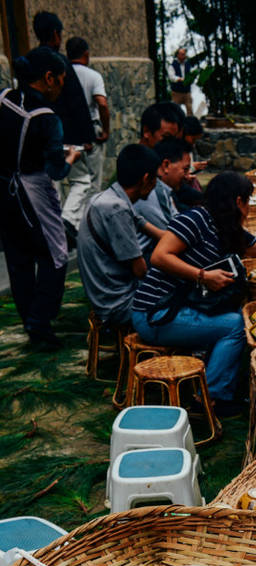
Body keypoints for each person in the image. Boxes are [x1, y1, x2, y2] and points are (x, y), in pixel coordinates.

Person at [130, 172, 256, 417]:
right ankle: (212, 397)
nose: (249, 207)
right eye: (249, 201)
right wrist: (202, 275)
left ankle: (217, 383)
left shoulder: (225, 228)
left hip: (178, 309)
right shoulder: (196, 218)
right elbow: (160, 256)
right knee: (235, 325)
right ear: (239, 201)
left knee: (233, 316)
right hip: (155, 313)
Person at [0, 47, 81, 349]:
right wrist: (71, 157)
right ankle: (41, 322)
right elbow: (57, 171)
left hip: (3, 189)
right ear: (48, 79)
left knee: (18, 257)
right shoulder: (48, 118)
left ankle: (29, 320)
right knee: (55, 255)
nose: (60, 88)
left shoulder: (4, 98)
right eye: (60, 81)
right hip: (32, 191)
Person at [77, 144, 163, 330]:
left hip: (107, 293)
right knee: (182, 287)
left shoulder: (107, 197)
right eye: (156, 178)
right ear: (146, 179)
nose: (157, 184)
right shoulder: (116, 209)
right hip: (119, 304)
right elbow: (139, 270)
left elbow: (145, 225)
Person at [60, 36, 109, 235]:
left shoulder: (62, 74)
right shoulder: (93, 75)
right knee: (92, 182)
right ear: (86, 54)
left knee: (74, 182)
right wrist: (105, 130)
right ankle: (86, 228)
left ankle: (73, 225)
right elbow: (102, 103)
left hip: (66, 133)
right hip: (91, 131)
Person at [33, 10, 94, 148]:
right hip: (65, 134)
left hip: (37, 134)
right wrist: (87, 137)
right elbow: (76, 100)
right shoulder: (60, 63)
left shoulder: (29, 61)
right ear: (55, 34)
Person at [134, 138, 191, 256]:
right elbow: (173, 236)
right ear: (166, 165)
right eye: (185, 169)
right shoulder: (152, 192)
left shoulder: (165, 191)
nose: (187, 176)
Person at [168, 48, 193, 115]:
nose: (184, 56)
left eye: (184, 54)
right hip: (176, 92)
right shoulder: (173, 65)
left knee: (189, 108)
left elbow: (191, 74)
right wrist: (179, 79)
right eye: (182, 54)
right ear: (178, 55)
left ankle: (190, 123)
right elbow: (171, 77)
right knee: (175, 110)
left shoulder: (188, 64)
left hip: (187, 91)